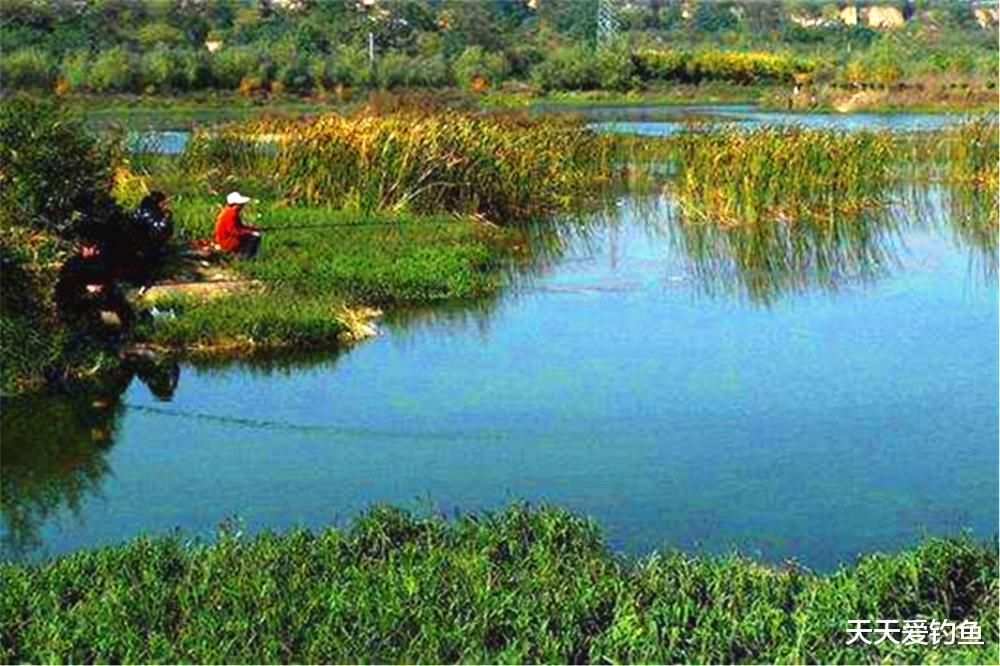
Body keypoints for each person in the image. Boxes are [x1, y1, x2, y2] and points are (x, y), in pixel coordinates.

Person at [214, 191, 262, 258]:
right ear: (235, 204)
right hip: (226, 241)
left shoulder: (230, 212)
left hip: (226, 239)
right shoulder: (230, 214)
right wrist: (249, 232)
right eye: (240, 204)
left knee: (254, 234)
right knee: (255, 237)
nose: (242, 206)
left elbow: (239, 227)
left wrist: (252, 229)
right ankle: (243, 257)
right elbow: (234, 231)